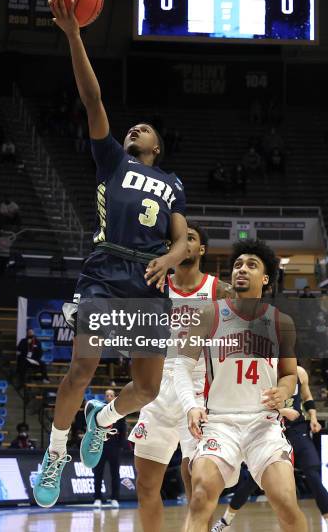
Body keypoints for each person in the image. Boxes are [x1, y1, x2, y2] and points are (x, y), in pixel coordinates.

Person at [33, 0, 187, 509]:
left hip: (146, 283)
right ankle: (56, 453)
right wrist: (74, 35)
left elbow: (185, 236)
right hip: (105, 270)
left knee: (146, 389)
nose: (134, 128)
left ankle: (101, 419)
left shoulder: (171, 183)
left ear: (158, 147)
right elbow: (93, 100)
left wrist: (171, 257)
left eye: (144, 128)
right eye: (132, 127)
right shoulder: (112, 160)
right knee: (82, 366)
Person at [175, 239, 307, 532]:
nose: (241, 270)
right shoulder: (209, 314)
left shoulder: (281, 322)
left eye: (251, 265)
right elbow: (181, 367)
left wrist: (285, 392)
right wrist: (191, 406)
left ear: (265, 278)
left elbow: (288, 374)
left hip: (264, 423)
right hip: (220, 422)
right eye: (237, 265)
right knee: (199, 497)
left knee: (286, 500)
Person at [129, 223, 233, 532]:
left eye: (191, 238)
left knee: (197, 486)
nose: (184, 244)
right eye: (178, 240)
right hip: (158, 390)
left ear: (201, 249)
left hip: (199, 391)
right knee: (146, 486)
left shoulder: (220, 290)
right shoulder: (155, 286)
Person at [211, 365, 328, 531]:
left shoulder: (300, 372)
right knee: (252, 481)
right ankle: (225, 520)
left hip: (297, 430)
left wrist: (314, 417)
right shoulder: (263, 370)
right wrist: (282, 411)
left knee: (313, 473)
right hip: (271, 428)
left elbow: (307, 397)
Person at [93, 389, 127, 508]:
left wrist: (120, 446)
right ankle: (97, 498)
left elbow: (123, 431)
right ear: (104, 397)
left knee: (115, 474)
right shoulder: (99, 411)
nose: (109, 397)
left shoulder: (119, 412)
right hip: (100, 447)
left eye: (111, 395)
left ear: (114, 397)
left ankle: (115, 498)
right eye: (107, 395)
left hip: (114, 448)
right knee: (98, 473)